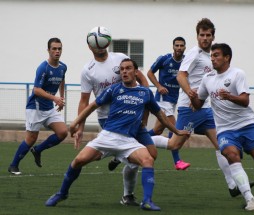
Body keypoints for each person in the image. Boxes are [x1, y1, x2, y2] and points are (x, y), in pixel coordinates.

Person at [45, 58, 190, 211]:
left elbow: (160, 115)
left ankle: (146, 201)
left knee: (148, 159)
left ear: (135, 72)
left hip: (128, 140)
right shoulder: (114, 89)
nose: (124, 72)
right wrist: (76, 122)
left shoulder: (145, 92)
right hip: (107, 136)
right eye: (122, 69)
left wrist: (176, 131)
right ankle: (62, 193)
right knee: (78, 161)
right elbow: (93, 105)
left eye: (128, 68)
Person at [151, 18, 254, 197]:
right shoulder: (194, 54)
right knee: (174, 144)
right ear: (197, 36)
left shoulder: (213, 55)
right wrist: (190, 93)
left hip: (206, 109)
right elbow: (181, 76)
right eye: (201, 35)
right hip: (190, 108)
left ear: (213, 36)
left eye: (208, 35)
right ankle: (140, 139)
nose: (205, 38)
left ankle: (232, 186)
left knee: (221, 146)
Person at [190, 43, 254, 211]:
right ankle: (249, 198)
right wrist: (192, 97)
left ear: (227, 57)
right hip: (225, 130)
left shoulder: (237, 74)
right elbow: (198, 104)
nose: (212, 59)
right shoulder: (207, 79)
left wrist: (229, 96)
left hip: (247, 125)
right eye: (211, 56)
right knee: (231, 156)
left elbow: (245, 101)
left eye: (216, 55)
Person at [75, 26, 157, 206]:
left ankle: (120, 160)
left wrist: (144, 115)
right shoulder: (88, 70)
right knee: (139, 156)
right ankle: (128, 194)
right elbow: (84, 101)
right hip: (108, 119)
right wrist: (79, 127)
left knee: (151, 154)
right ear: (90, 47)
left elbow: (142, 81)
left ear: (108, 42)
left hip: (132, 115)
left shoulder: (120, 58)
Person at [8, 38, 68, 175]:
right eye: (54, 48)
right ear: (48, 50)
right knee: (31, 138)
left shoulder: (63, 67)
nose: (57, 51)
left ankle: (38, 150)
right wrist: (55, 98)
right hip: (35, 107)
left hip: (49, 108)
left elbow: (62, 79)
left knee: (63, 132)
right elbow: (36, 90)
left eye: (59, 48)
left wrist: (61, 98)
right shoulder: (43, 68)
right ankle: (13, 165)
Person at [147, 36, 190, 170]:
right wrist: (159, 86)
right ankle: (177, 161)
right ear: (173, 47)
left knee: (158, 130)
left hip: (174, 100)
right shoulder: (164, 59)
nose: (179, 48)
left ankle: (133, 140)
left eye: (181, 45)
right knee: (174, 127)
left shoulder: (187, 62)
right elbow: (149, 73)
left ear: (184, 47)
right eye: (176, 45)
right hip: (162, 99)